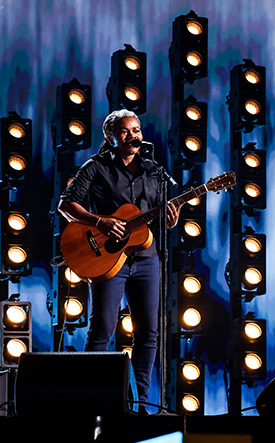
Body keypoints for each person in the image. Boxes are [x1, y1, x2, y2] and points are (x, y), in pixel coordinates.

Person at [58, 109, 179, 414]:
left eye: (136, 130)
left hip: (146, 258)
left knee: (148, 333)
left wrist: (167, 221)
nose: (132, 136)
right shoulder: (96, 167)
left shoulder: (154, 171)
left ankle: (140, 405)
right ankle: (91, 401)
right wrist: (99, 223)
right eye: (125, 131)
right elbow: (66, 204)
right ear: (110, 136)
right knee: (102, 330)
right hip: (107, 259)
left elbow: (152, 219)